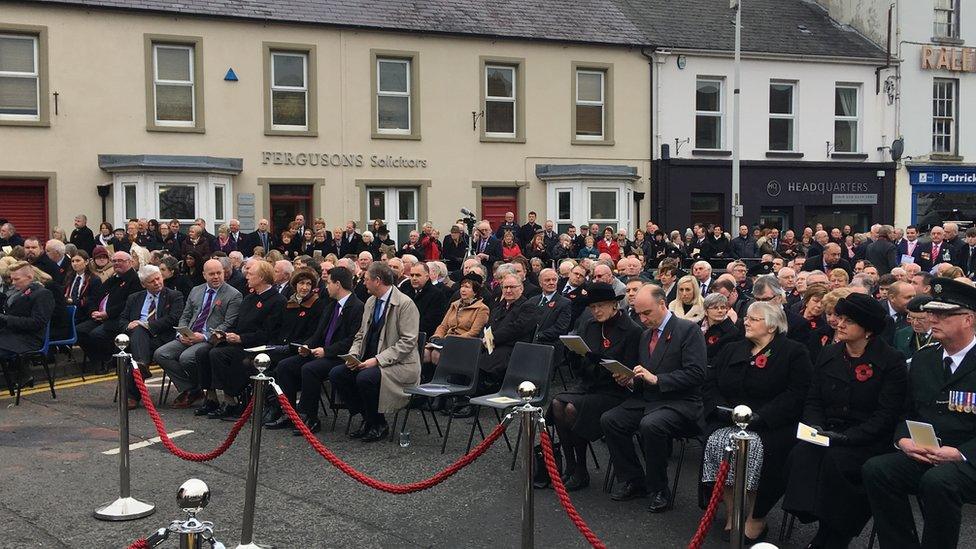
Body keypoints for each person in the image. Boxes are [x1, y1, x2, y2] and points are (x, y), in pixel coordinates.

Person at [782, 293, 908, 548]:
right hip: (828, 431)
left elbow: (886, 414)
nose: (839, 324)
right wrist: (815, 427)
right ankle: (821, 521)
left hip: (866, 438)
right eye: (840, 318)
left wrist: (848, 438)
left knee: (838, 463)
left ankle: (837, 533)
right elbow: (814, 399)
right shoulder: (829, 353)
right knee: (802, 454)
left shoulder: (891, 361)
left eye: (849, 321)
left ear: (868, 329)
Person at [863, 277, 976, 549]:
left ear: (968, 319)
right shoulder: (926, 358)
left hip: (968, 458)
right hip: (929, 452)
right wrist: (903, 440)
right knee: (877, 470)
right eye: (932, 312)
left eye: (943, 314)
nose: (932, 319)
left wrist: (960, 454)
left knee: (938, 482)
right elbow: (907, 410)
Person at [702, 301, 812, 542]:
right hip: (730, 418)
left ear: (771, 326)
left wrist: (762, 417)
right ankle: (733, 509)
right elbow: (711, 382)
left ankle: (754, 515)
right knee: (718, 441)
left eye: (753, 319)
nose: (745, 322)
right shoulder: (732, 348)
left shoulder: (793, 352)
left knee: (753, 448)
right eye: (746, 318)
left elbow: (797, 393)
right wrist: (721, 410)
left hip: (772, 423)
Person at [599, 284, 706, 511]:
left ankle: (659, 488)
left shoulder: (688, 330)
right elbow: (644, 373)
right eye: (638, 313)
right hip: (649, 399)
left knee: (651, 425)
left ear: (662, 304)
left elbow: (697, 374)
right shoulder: (645, 334)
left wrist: (658, 380)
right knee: (610, 419)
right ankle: (633, 478)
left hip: (680, 402)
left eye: (647, 313)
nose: (643, 318)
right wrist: (629, 380)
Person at [546, 282, 642, 490]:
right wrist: (576, 355)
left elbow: (630, 368)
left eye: (601, 306)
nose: (596, 311)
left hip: (614, 390)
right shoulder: (590, 325)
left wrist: (609, 366)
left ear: (614, 305)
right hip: (589, 384)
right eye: (592, 307)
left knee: (572, 408)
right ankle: (571, 466)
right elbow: (584, 364)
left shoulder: (632, 330)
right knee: (556, 403)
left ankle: (581, 470)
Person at [330, 262, 421, 442]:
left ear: (377, 281)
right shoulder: (371, 301)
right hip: (369, 360)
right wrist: (354, 355)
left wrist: (378, 360)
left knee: (365, 378)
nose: (363, 283)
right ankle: (367, 417)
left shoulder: (405, 304)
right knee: (337, 373)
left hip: (399, 365)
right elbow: (361, 334)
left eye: (366, 279)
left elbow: (408, 342)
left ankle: (378, 423)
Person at [268, 267, 364, 433]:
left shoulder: (357, 307)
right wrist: (307, 346)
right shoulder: (331, 305)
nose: (326, 287)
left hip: (339, 356)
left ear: (338, 284)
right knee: (284, 366)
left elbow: (352, 340)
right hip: (321, 352)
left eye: (328, 283)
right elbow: (319, 333)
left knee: (310, 369)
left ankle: (310, 417)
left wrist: (326, 351)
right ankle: (289, 413)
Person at [197, 260, 285, 419]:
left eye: (251, 274)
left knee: (218, 354)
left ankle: (230, 400)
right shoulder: (249, 298)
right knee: (203, 351)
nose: (247, 277)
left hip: (258, 346)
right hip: (239, 341)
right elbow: (238, 323)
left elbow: (268, 333)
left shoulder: (277, 301)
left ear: (262, 278)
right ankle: (211, 397)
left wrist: (240, 338)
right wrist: (224, 333)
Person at [154, 259, 242, 410]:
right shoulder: (196, 290)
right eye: (212, 274)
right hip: (189, 334)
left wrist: (205, 336)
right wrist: (181, 333)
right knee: (161, 354)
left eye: (219, 273)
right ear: (204, 275)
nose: (216, 277)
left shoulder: (234, 295)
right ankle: (193, 389)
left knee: (187, 358)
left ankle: (202, 390)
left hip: (210, 338)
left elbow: (229, 324)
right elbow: (185, 315)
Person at [119, 265, 185, 409]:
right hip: (138, 340)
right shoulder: (134, 298)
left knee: (139, 337)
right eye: (151, 281)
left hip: (161, 338)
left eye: (158, 278)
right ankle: (141, 364)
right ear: (143, 284)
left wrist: (147, 325)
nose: (157, 282)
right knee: (137, 332)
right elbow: (122, 319)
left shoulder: (174, 296)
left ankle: (132, 395)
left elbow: (174, 318)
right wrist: (128, 325)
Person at [76, 251, 141, 368]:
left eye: (120, 261)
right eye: (114, 261)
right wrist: (93, 311)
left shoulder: (134, 280)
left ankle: (106, 361)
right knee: (79, 330)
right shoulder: (113, 279)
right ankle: (97, 360)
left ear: (130, 262)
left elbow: (128, 304)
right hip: (101, 316)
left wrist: (107, 314)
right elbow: (95, 297)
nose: (116, 263)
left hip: (118, 318)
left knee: (97, 334)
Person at [425, 272, 489, 367]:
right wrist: (437, 336)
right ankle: (425, 379)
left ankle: (443, 379)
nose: (463, 290)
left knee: (436, 354)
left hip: (464, 343)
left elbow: (473, 333)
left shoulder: (482, 308)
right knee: (425, 353)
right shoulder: (454, 304)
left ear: (475, 292)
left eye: (467, 287)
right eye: (462, 286)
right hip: (446, 340)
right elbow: (443, 326)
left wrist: (451, 340)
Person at [0, 262, 54, 371]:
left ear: (30, 277)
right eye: (12, 279)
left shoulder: (43, 294)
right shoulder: (16, 294)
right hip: (12, 334)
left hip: (30, 339)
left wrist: (6, 319)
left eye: (17, 279)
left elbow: (37, 323)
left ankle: (19, 377)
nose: (13, 283)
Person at [402, 262, 448, 339]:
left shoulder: (437, 295)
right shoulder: (405, 288)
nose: (414, 278)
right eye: (412, 275)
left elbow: (431, 322)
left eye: (418, 275)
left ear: (427, 277)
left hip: (422, 336)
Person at [532, 268, 571, 347]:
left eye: (554, 280)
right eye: (547, 280)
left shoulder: (565, 303)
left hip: (550, 346)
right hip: (530, 344)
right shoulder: (533, 300)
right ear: (540, 283)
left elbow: (560, 328)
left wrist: (537, 336)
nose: (551, 283)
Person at [64, 250, 103, 322]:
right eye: (72, 261)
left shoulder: (94, 279)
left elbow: (94, 300)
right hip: (67, 310)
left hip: (84, 313)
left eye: (78, 261)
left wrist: (74, 301)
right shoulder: (69, 277)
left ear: (86, 262)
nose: (74, 264)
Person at [701, 292, 741, 363]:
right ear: (706, 311)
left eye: (722, 307)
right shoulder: (698, 327)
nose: (720, 311)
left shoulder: (731, 332)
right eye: (715, 308)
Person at [894, 295, 934, 359]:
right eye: (911, 318)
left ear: (932, 317)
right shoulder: (901, 335)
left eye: (921, 319)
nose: (915, 323)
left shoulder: (943, 336)